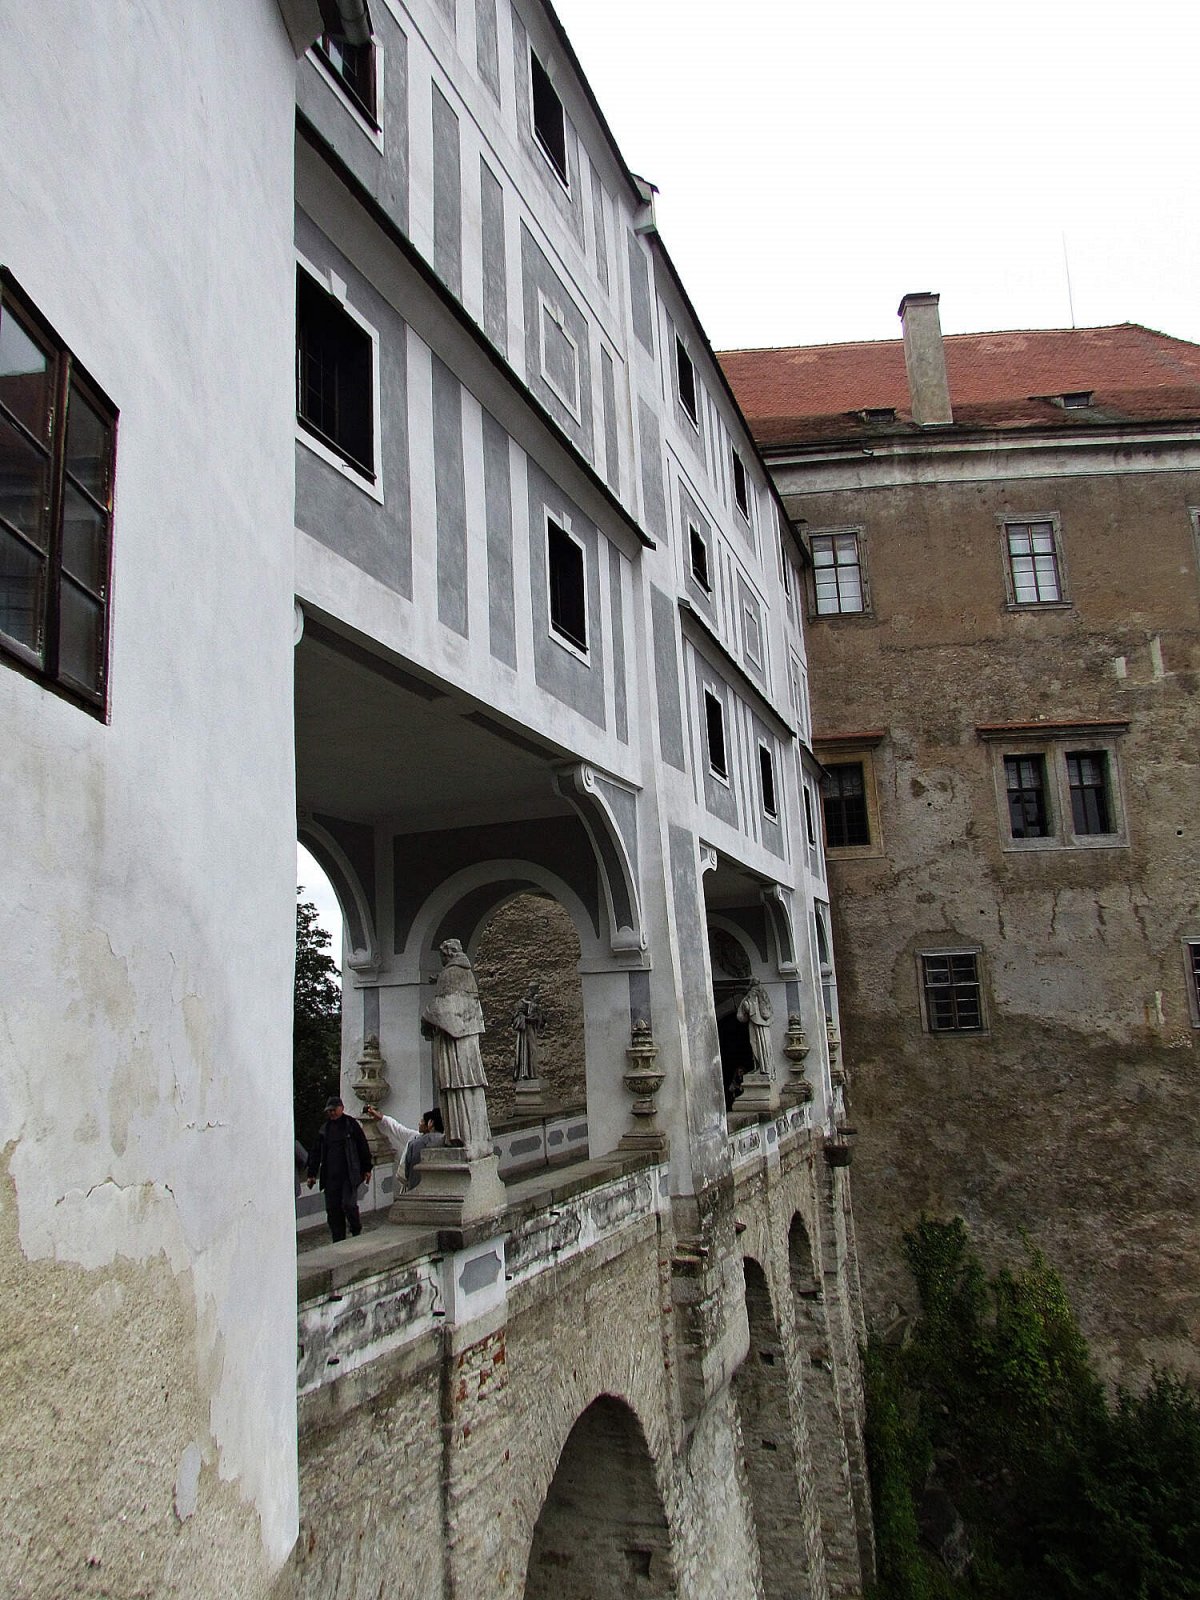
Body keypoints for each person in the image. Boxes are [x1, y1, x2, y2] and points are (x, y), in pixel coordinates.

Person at [421, 939, 492, 1158]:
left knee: (455, 1086)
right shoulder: (467, 974)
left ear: (448, 954)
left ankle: (460, 1136)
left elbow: (444, 1009)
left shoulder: (450, 974)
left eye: (442, 956)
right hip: (468, 1044)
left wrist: (426, 1016)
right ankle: (476, 1137)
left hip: (454, 1046)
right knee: (469, 1087)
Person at [306, 1096, 373, 1242]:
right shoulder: (324, 1129)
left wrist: (367, 1168)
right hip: (330, 1176)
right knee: (333, 1209)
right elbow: (316, 1152)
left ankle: (355, 1229)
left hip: (349, 1174)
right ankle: (338, 1238)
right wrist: (311, 1174)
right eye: (329, 1111)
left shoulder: (351, 1125)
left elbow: (362, 1146)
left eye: (333, 1110)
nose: (331, 1113)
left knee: (348, 1205)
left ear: (341, 1108)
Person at [363, 1105, 444, 1190]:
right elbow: (398, 1129)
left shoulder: (418, 1143)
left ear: (430, 1123)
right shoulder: (415, 1137)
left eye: (422, 1121)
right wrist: (382, 1118)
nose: (419, 1123)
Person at [737, 979, 774, 1077]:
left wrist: (746, 1004)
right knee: (760, 1044)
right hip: (760, 1023)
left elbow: (748, 1009)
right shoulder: (762, 994)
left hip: (757, 1022)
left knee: (756, 1043)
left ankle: (761, 1068)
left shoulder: (753, 993)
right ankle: (762, 1067)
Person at [511, 982, 544, 1082]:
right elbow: (517, 1017)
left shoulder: (535, 1003)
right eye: (536, 989)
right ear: (532, 989)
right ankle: (524, 1073)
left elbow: (541, 1018)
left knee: (533, 1051)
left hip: (532, 1030)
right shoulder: (522, 1002)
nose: (538, 991)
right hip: (525, 1031)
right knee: (525, 1050)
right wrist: (527, 1019)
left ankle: (532, 1073)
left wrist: (538, 1017)